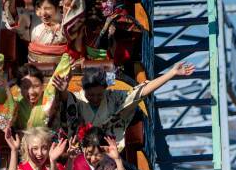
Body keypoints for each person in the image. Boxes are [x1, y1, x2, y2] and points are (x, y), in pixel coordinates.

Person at [61, 62, 196, 148]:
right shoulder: (77, 99)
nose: (95, 99)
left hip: (110, 149)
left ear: (105, 90)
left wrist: (171, 73)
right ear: (84, 90)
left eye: (99, 95)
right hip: (82, 149)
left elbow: (141, 92)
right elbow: (65, 101)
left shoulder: (114, 98)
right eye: (91, 95)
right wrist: (62, 90)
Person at [0, 53, 71, 131]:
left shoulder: (50, 96)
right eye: (26, 87)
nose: (31, 92)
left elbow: (67, 111)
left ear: (43, 86)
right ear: (20, 88)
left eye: (36, 86)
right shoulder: (15, 104)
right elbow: (2, 113)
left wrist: (63, 92)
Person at [25, 0, 67, 64]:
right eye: (38, 8)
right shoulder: (32, 21)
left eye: (47, 8)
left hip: (60, 70)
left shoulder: (67, 23)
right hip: (34, 69)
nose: (43, 13)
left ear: (57, 6)